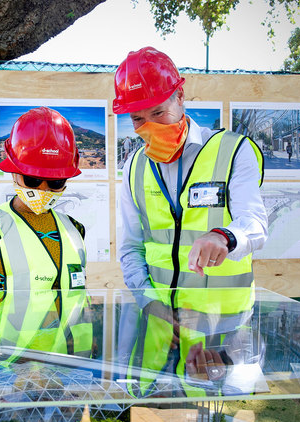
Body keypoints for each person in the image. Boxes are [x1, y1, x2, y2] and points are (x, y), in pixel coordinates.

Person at [113, 47, 268, 396]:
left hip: (222, 334)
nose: (150, 127)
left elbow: (256, 224)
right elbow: (131, 248)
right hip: (160, 330)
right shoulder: (133, 167)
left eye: (158, 112)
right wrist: (150, 304)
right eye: (138, 119)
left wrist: (224, 237)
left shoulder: (233, 151)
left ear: (180, 97)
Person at [0, 107, 93, 357]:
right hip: (9, 373)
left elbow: (78, 300)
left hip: (69, 371)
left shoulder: (74, 230)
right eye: (32, 179)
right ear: (14, 170)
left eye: (55, 182)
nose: (43, 189)